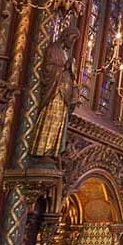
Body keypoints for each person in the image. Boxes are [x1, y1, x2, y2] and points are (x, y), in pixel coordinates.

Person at [29, 27, 79, 160]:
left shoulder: (67, 54)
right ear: (65, 36)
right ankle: (43, 150)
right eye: (72, 39)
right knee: (49, 119)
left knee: (59, 124)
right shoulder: (53, 50)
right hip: (54, 92)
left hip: (65, 95)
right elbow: (47, 68)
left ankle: (52, 151)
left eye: (75, 40)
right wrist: (64, 67)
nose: (72, 43)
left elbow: (72, 76)